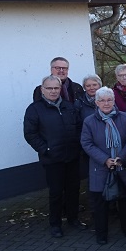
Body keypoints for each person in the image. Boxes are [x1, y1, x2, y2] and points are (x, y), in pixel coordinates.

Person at [24, 75, 83, 238]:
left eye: (56, 88)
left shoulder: (69, 107)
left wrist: (77, 145)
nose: (53, 91)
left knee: (73, 190)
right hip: (52, 159)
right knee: (56, 192)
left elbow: (79, 127)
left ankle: (73, 219)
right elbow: (30, 134)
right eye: (49, 88)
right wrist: (46, 149)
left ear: (60, 89)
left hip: (72, 156)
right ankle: (55, 224)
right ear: (42, 90)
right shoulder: (34, 109)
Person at [80, 87, 126, 245]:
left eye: (109, 99)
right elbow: (86, 143)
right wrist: (105, 159)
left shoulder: (125, 118)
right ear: (96, 102)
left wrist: (121, 158)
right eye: (102, 100)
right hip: (100, 168)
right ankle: (101, 234)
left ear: (114, 101)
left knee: (125, 201)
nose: (106, 103)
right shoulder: (89, 121)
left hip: (122, 167)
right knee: (100, 205)